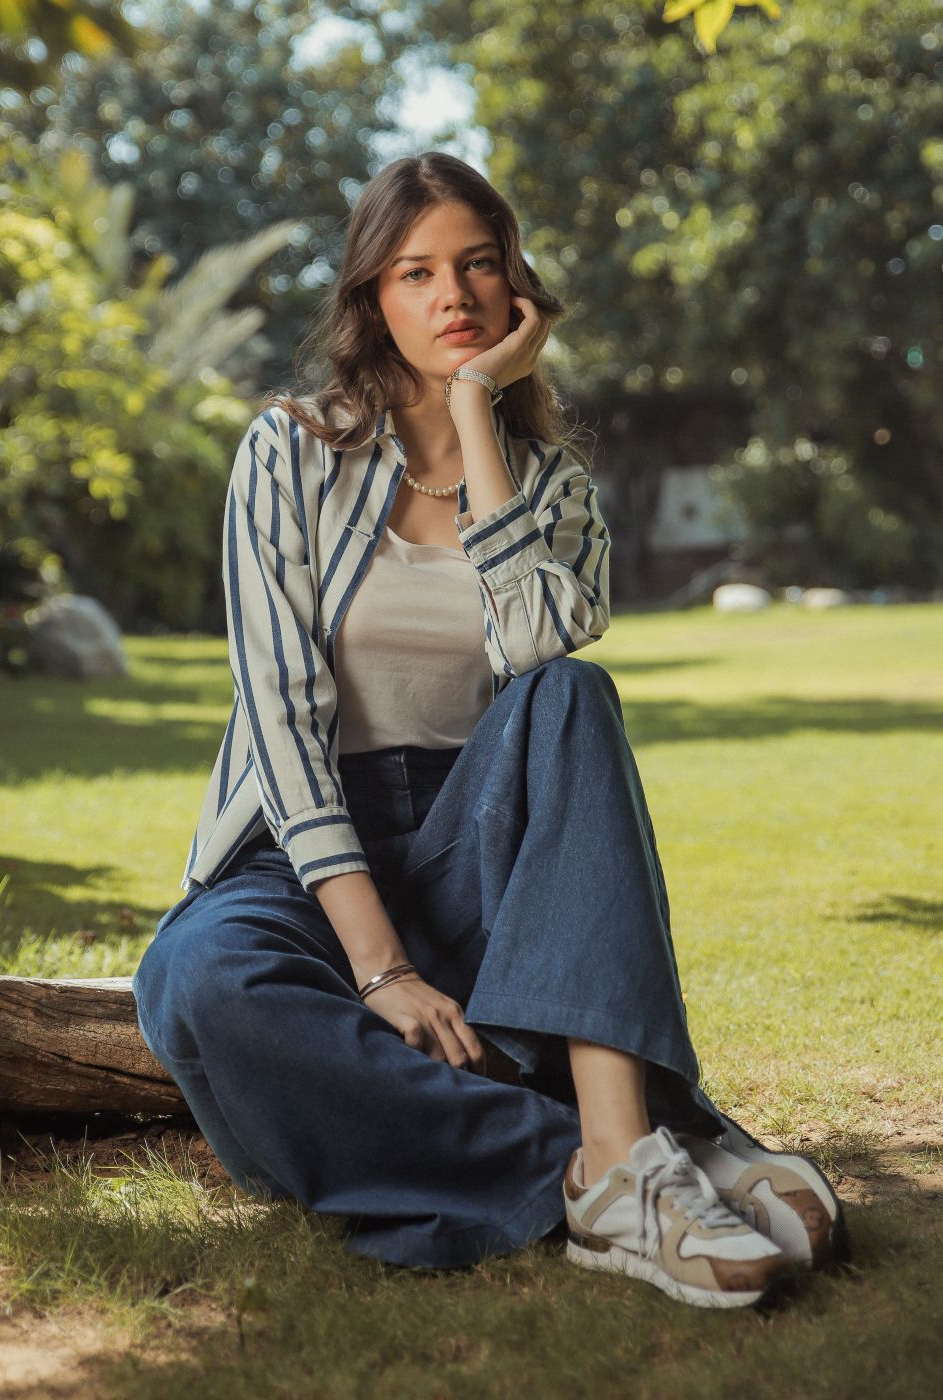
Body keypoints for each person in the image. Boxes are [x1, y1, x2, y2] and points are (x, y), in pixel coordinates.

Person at [133, 152, 847, 1308]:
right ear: (374, 299)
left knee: (572, 697)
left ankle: (621, 1157)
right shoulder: (289, 452)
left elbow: (536, 652)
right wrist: (381, 967)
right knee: (199, 978)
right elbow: (280, 713)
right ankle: (619, 1155)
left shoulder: (552, 487)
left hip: (487, 842)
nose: (451, 295)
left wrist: (477, 420)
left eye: (476, 264)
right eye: (415, 273)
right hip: (304, 850)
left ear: (516, 287)